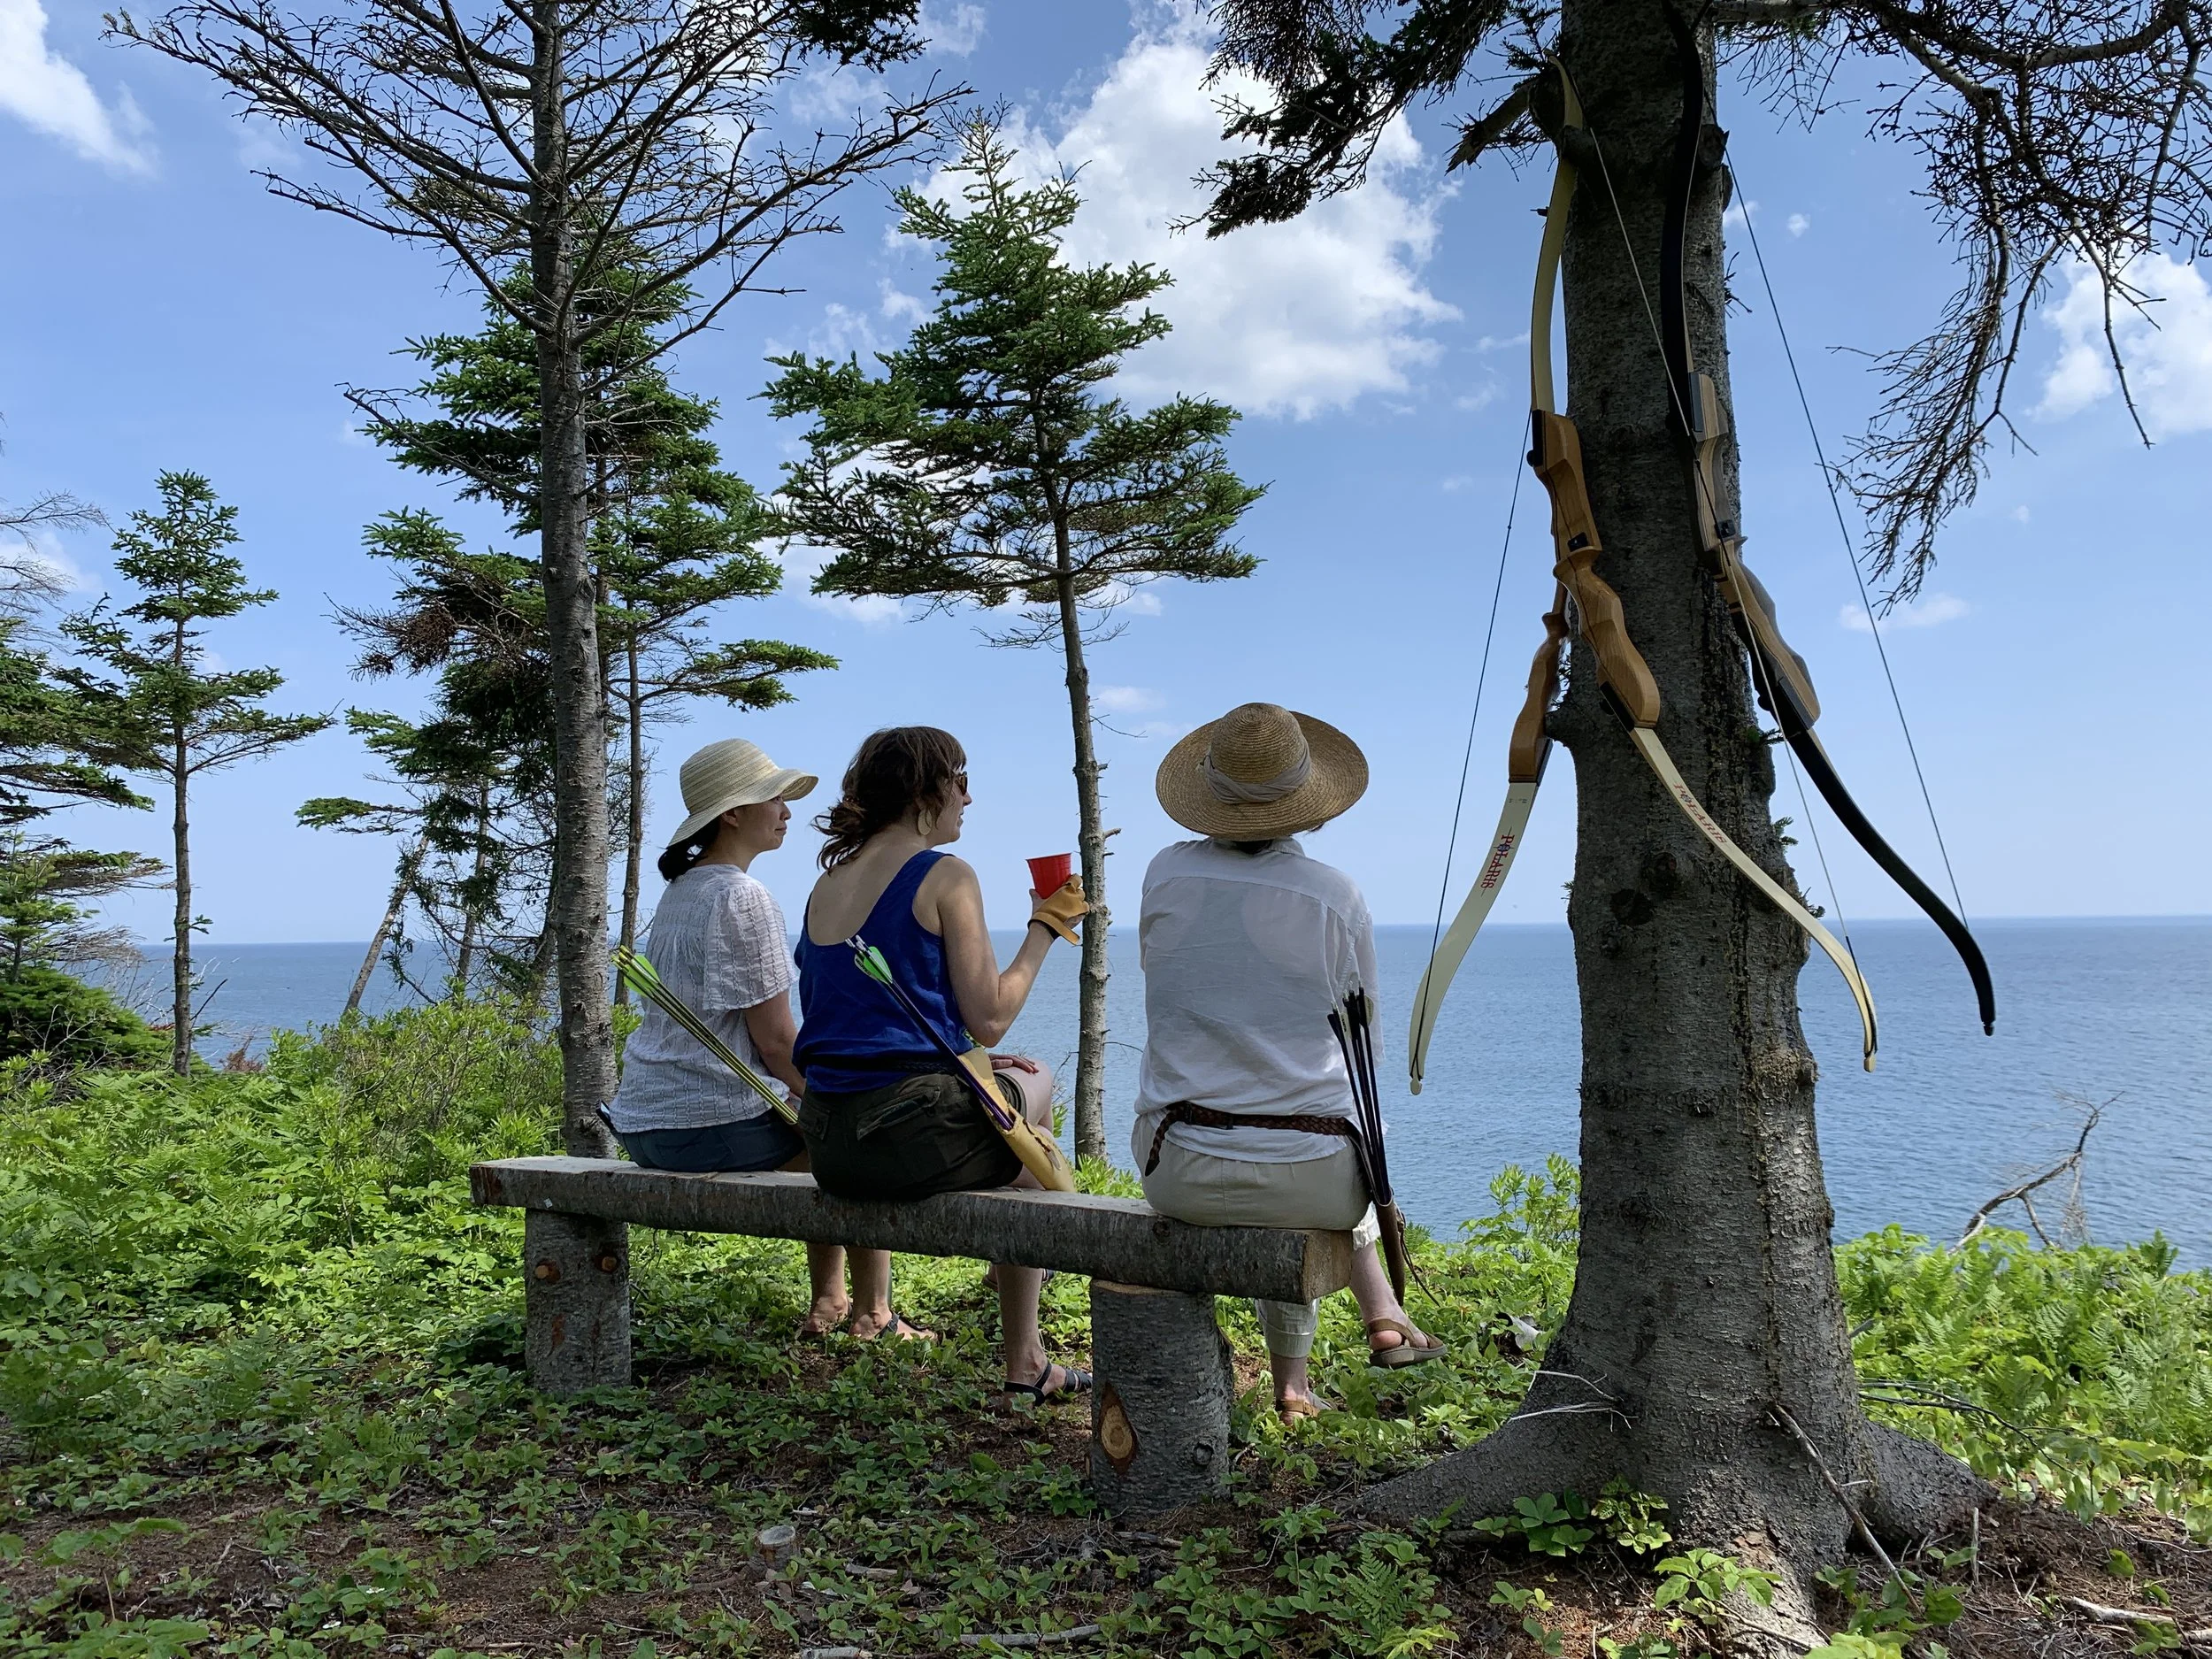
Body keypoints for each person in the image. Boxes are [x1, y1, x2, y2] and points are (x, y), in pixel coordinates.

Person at [1133, 701, 1445, 1421]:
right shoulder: (1336, 897)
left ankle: (1306, 1376)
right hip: (1316, 1183)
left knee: (1281, 1117)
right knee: (1329, 1127)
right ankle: (1318, 1365)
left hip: (1178, 1167)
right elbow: (1361, 1022)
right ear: (1313, 808)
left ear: (1206, 797)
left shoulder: (1164, 875)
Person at [792, 726, 1093, 1404]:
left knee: (1012, 1103)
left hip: (831, 1144)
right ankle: (1026, 1351)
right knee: (1034, 1091)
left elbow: (859, 1026)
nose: (969, 796)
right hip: (904, 1141)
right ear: (925, 790)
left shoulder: (825, 886)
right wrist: (1045, 926)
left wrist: (975, 1061)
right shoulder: (946, 875)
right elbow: (989, 1016)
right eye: (960, 779)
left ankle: (1013, 1272)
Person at [604, 737, 907, 1342]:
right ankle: (874, 1313)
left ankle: (829, 1298)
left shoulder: (682, 891)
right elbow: (774, 1042)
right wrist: (838, 1098)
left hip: (644, 1124)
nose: (786, 810)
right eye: (774, 798)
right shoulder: (743, 896)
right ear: (734, 813)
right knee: (846, 1139)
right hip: (707, 1125)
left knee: (808, 1126)